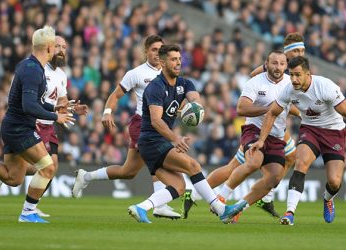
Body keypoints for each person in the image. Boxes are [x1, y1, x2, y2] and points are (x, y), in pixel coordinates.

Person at [182, 33, 305, 219]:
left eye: (302, 50)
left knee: (264, 167)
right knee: (254, 162)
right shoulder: (264, 75)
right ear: (286, 53)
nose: (300, 53)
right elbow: (248, 99)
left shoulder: (293, 77)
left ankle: (202, 194)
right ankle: (220, 199)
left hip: (277, 130)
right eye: (296, 50)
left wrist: (303, 114)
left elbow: (288, 106)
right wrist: (270, 108)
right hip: (255, 129)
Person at [72, 35, 181, 219]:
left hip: (159, 125)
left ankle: (86, 176)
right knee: (157, 159)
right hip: (142, 124)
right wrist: (107, 112)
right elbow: (115, 95)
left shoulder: (169, 74)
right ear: (145, 51)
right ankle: (159, 205)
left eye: (160, 50)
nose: (157, 53)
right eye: (153, 49)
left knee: (128, 171)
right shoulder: (136, 73)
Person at [127, 44, 235, 224]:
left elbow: (195, 99)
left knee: (178, 186)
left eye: (179, 59)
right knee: (193, 165)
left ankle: (141, 208)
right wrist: (175, 138)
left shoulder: (184, 83)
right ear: (162, 62)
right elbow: (155, 120)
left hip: (158, 142)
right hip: (151, 140)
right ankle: (221, 209)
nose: (178, 63)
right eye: (173, 59)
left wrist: (193, 108)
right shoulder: (154, 87)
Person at [0, 35, 89, 217]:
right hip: (32, 123)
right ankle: (29, 210)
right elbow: (29, 103)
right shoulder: (35, 69)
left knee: (15, 178)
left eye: (64, 47)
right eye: (57, 46)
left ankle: (30, 204)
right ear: (48, 48)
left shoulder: (61, 74)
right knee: (48, 166)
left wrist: (69, 108)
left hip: (44, 123)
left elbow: (58, 100)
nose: (61, 50)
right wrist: (55, 115)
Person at [250, 56, 346, 226]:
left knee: (335, 181)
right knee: (300, 163)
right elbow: (272, 113)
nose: (293, 79)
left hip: (334, 133)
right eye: (291, 75)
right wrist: (261, 140)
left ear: (308, 74)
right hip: (310, 131)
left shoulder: (325, 87)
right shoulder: (288, 90)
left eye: (298, 75)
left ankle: (327, 198)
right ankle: (289, 213)